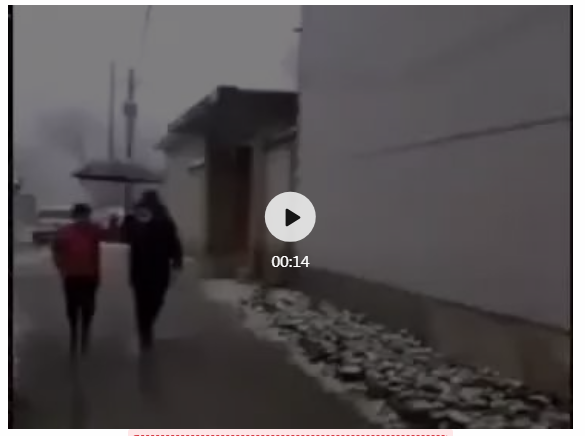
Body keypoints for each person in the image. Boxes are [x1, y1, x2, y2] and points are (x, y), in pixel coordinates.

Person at [122, 191, 183, 353]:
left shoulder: (165, 221)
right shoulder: (135, 220)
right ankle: (145, 332)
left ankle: (146, 326)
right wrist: (129, 219)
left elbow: (174, 243)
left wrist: (177, 261)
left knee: (155, 301)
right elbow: (126, 236)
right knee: (142, 303)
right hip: (141, 270)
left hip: (158, 269)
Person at [51, 203, 103, 357]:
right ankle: (74, 332)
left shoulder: (94, 231)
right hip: (72, 276)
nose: (83, 219)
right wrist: (61, 266)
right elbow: (56, 249)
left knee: (89, 307)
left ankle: (85, 332)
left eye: (85, 215)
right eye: (80, 216)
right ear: (74, 217)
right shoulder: (65, 232)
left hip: (90, 275)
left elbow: (99, 248)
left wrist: (97, 273)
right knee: (72, 307)